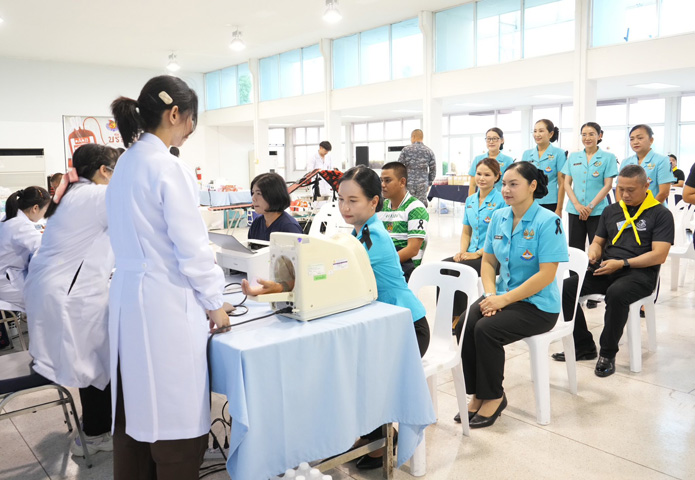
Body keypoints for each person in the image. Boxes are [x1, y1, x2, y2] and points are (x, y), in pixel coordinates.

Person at [242, 166, 429, 470]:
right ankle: (370, 434)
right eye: (341, 199)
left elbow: (333, 272)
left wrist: (282, 286)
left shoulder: (374, 238)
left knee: (355, 373)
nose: (345, 207)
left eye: (353, 201)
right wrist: (281, 286)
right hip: (380, 322)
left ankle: (381, 438)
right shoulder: (358, 233)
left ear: (374, 202)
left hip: (406, 326)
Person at [108, 75, 231, 480]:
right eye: (191, 119)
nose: (191, 129)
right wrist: (215, 303)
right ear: (175, 113)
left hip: (128, 297)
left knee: (136, 405)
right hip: (164, 302)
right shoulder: (167, 166)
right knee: (173, 408)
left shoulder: (126, 163)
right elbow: (192, 249)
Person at [456, 161, 568, 428]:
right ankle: (477, 393)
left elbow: (547, 275)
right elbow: (488, 262)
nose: (506, 189)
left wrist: (503, 300)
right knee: (465, 323)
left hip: (538, 305)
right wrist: (491, 295)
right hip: (502, 295)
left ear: (532, 186)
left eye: (513, 184)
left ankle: (494, 396)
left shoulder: (548, 221)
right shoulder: (499, 216)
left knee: (486, 329)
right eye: (504, 184)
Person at [24, 144, 119, 456]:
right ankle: (96, 433)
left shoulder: (73, 194)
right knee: (94, 361)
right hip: (69, 295)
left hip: (54, 289)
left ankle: (96, 426)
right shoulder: (96, 195)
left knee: (91, 360)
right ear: (104, 170)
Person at [554, 165, 673, 377]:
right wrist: (593, 252)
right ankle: (583, 346)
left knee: (617, 293)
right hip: (608, 268)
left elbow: (659, 255)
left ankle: (607, 353)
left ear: (646, 186)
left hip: (640, 273)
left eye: (631, 190)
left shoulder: (660, 214)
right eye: (621, 189)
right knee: (566, 288)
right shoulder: (611, 211)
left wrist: (623, 263)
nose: (625, 195)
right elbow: (598, 242)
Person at [442, 157, 504, 326]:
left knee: (458, 269)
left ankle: (459, 317)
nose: (482, 178)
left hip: (491, 257)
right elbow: (466, 231)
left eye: (487, 175)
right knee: (443, 267)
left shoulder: (502, 201)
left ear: (497, 177)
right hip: (470, 253)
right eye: (479, 174)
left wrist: (476, 254)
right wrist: (462, 252)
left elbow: (499, 236)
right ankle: (446, 315)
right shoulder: (470, 200)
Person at [0, 186, 50, 349]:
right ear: (35, 208)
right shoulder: (19, 225)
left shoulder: (10, 219)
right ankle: (44, 350)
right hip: (6, 282)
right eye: (45, 210)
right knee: (49, 300)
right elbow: (44, 248)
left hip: (10, 275)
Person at [562, 122, 618, 250]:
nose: (587, 138)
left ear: (599, 136)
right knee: (575, 248)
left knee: (597, 248)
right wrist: (577, 205)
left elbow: (608, 185)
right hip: (575, 210)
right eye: (584, 135)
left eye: (591, 134)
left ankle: (596, 266)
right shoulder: (573, 156)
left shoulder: (608, 157)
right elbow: (566, 183)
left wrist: (590, 207)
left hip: (597, 211)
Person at [377, 161, 429, 281]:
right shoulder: (381, 207)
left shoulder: (416, 208)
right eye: (381, 180)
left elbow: (412, 250)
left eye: (387, 180)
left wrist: (384, 263)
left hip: (404, 269)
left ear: (402, 182)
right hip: (385, 264)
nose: (382, 185)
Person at [521, 119, 567, 216]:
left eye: (541, 131)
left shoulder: (559, 153)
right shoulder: (527, 154)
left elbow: (562, 182)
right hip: (530, 201)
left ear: (551, 134)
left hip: (550, 202)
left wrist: (559, 209)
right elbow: (523, 180)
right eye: (535, 131)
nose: (537, 134)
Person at [619, 124, 674, 203]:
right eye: (632, 139)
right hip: (628, 208)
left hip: (654, 208)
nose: (635, 142)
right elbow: (619, 188)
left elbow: (664, 193)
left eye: (640, 138)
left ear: (651, 140)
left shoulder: (662, 160)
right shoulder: (626, 162)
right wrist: (621, 208)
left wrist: (646, 209)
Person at [248, 172, 303, 242]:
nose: (253, 198)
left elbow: (300, 248)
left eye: (259, 193)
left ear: (274, 195)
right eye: (253, 193)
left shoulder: (289, 227)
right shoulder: (257, 223)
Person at [468, 128, 514, 196]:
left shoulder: (508, 160)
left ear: (502, 140)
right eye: (488, 139)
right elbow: (472, 185)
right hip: (482, 198)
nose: (491, 142)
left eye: (495, 138)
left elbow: (511, 184)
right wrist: (471, 201)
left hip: (501, 198)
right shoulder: (478, 159)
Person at [397, 129, 436, 207]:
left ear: (413, 136)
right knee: (421, 206)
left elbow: (399, 167)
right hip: (423, 184)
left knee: (407, 204)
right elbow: (433, 170)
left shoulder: (405, 150)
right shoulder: (429, 151)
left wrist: (401, 182)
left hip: (408, 183)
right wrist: (429, 183)